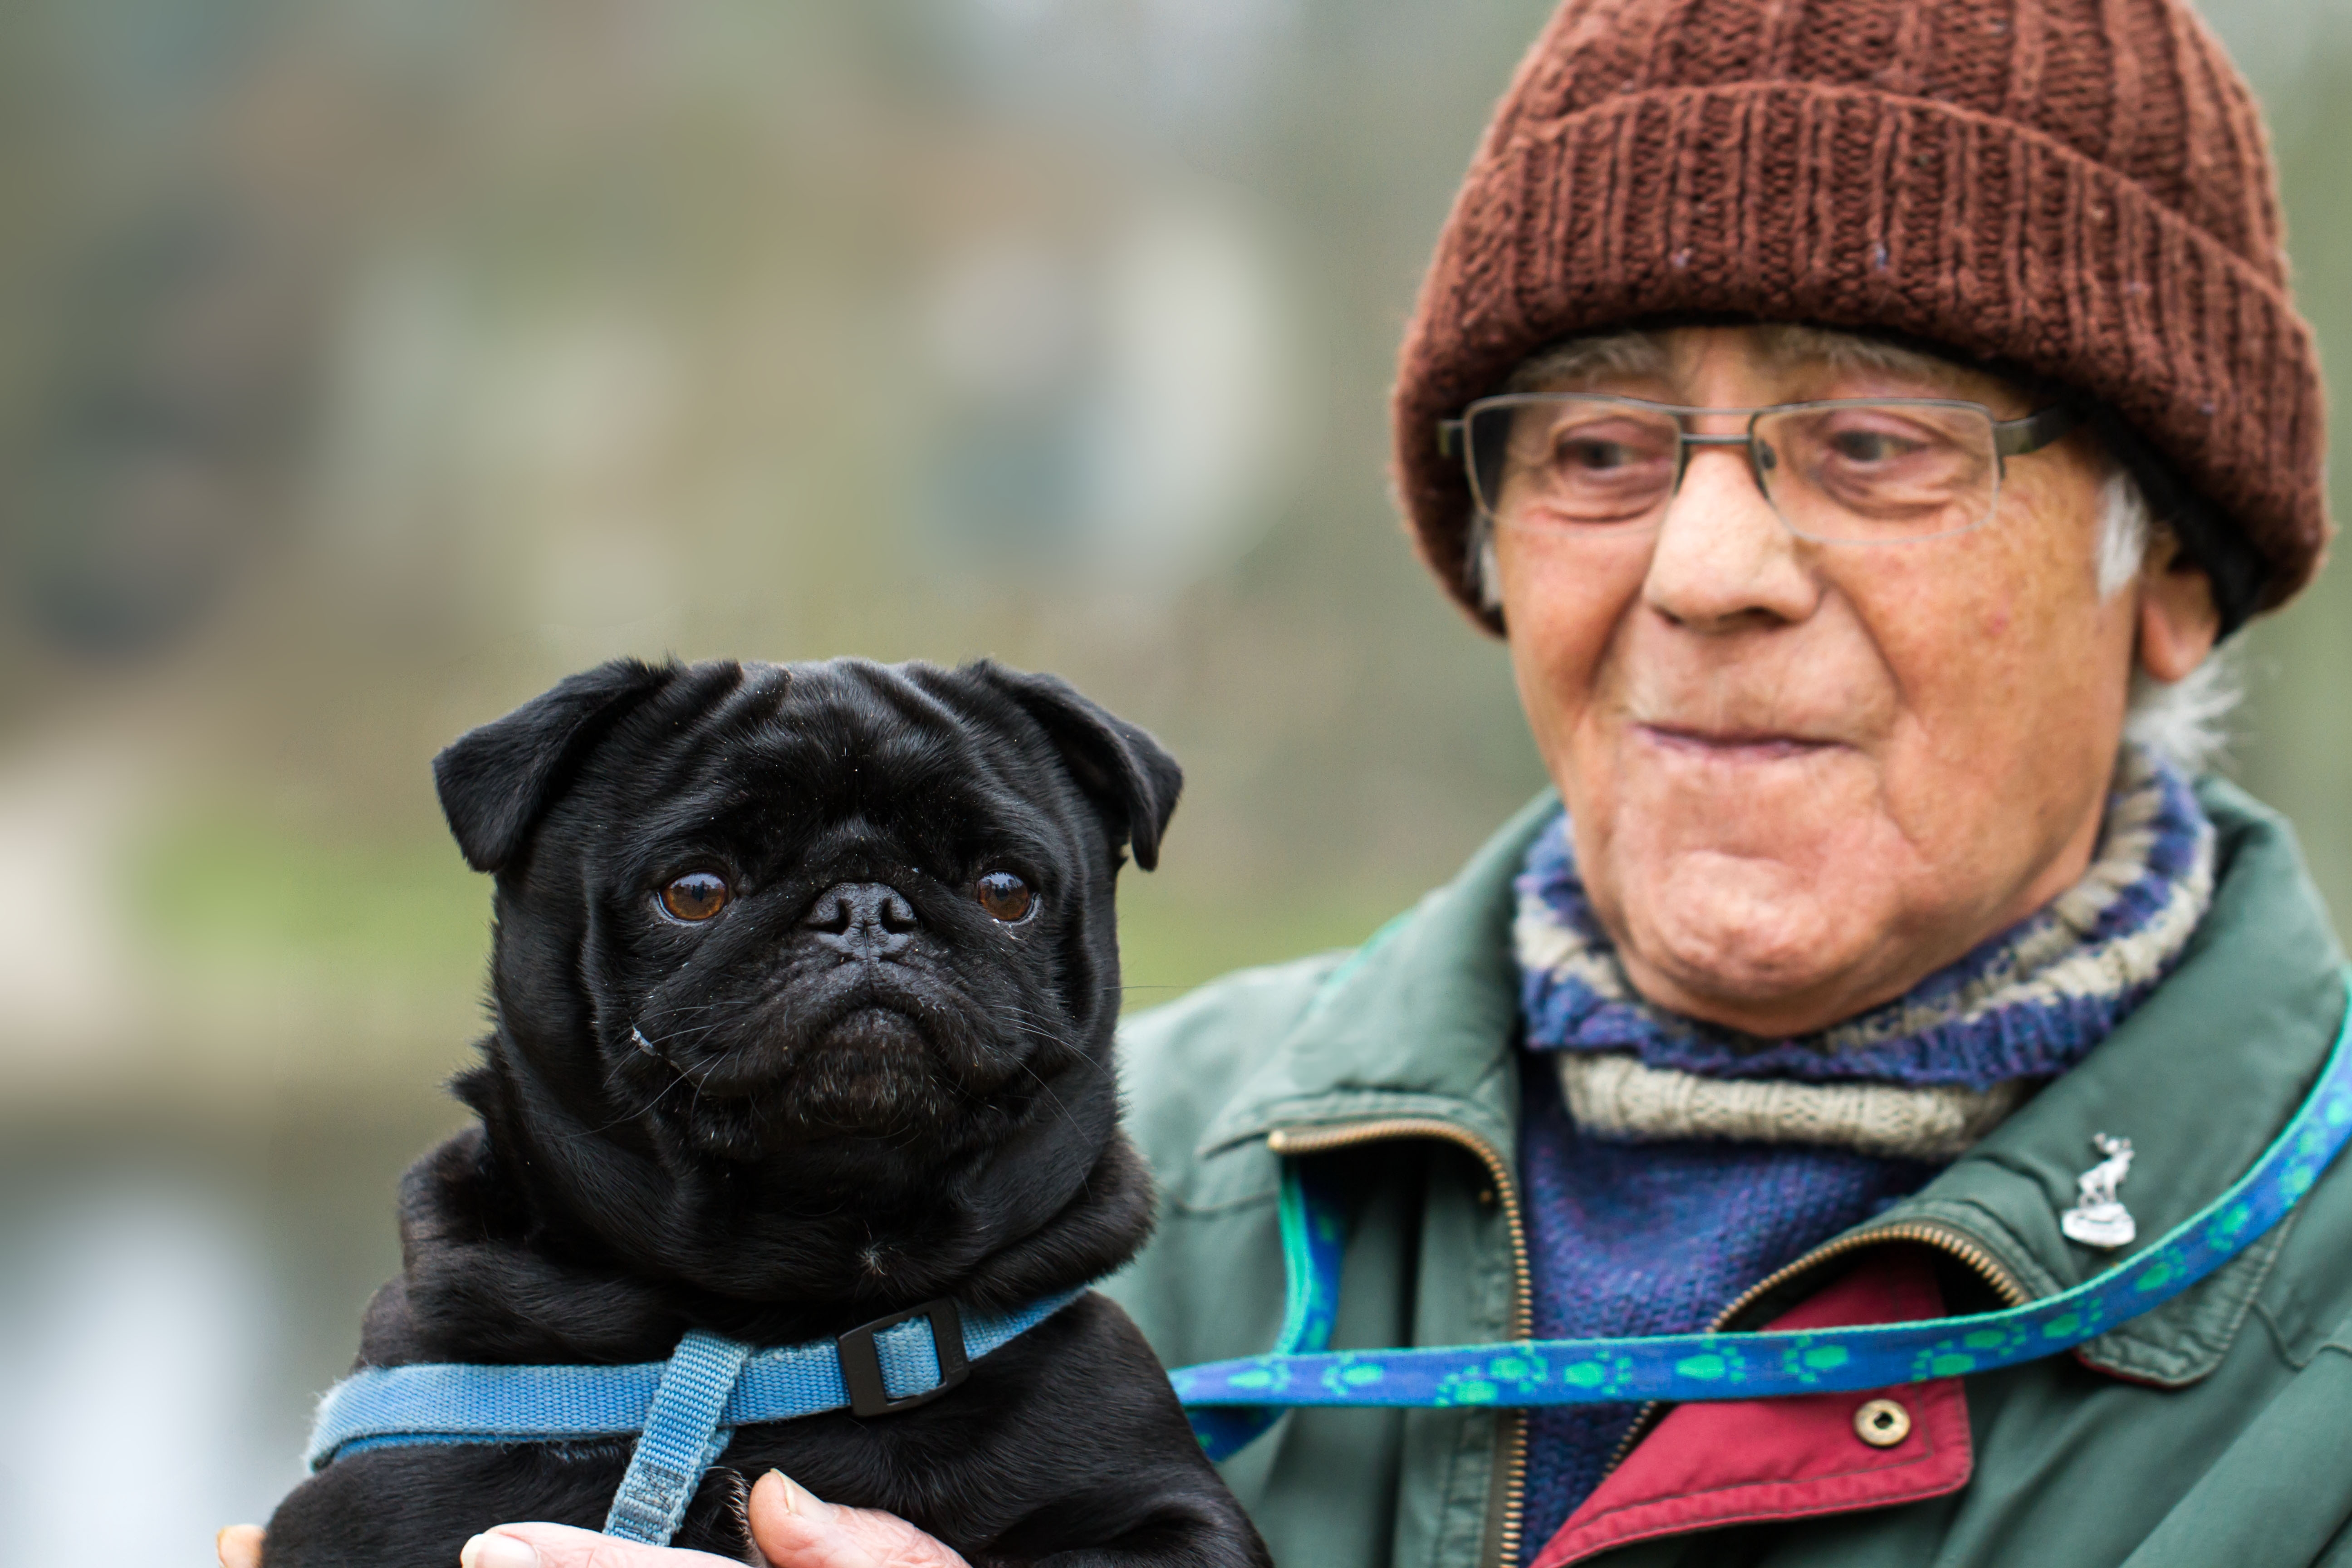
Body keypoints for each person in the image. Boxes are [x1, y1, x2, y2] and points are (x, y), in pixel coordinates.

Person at [222, 0, 2352, 1563]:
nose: (1707, 572)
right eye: (1602, 453)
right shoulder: (1124, 1165)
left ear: (2171, 567)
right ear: (1493, 544)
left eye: (1874, 444)